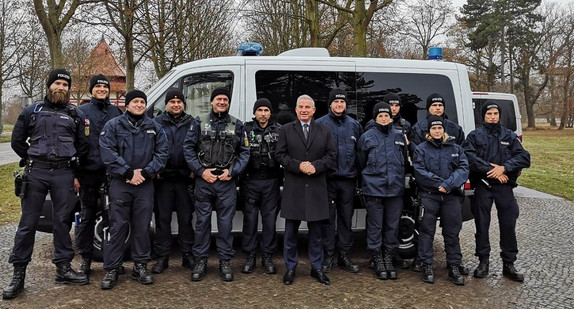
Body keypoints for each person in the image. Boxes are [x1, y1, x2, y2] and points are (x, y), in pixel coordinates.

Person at [4, 69, 90, 300]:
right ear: (49, 86)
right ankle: (18, 274)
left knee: (62, 222)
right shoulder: (31, 111)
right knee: (27, 223)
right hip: (37, 173)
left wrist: (74, 171)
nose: (61, 87)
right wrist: (32, 157)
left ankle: (63, 268)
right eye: (57, 83)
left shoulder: (75, 114)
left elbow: (83, 145)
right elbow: (17, 141)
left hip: (64, 173)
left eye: (65, 84)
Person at [99, 90, 168, 290]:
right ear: (127, 105)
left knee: (142, 228)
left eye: (142, 102)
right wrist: (128, 173)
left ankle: (140, 266)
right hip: (121, 184)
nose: (139, 105)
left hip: (145, 184)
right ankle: (112, 268)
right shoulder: (113, 126)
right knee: (118, 227)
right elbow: (107, 152)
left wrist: (146, 173)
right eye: (135, 101)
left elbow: (162, 153)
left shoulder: (154, 127)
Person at [183, 87, 249, 282]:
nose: (222, 102)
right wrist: (201, 171)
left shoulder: (237, 124)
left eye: (225, 100)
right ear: (212, 101)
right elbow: (188, 148)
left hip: (226, 182)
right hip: (205, 181)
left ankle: (225, 261)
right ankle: (201, 261)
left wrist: (233, 172)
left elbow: (245, 152)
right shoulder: (198, 122)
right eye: (218, 99)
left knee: (226, 225)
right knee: (202, 223)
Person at [462, 102, 531, 282]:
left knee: (508, 224)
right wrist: (490, 170)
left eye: (495, 113)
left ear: (499, 115)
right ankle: (483, 261)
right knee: (482, 224)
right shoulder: (475, 136)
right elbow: (468, 156)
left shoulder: (509, 135)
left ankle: (509, 264)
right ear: (483, 116)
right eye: (489, 114)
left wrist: (505, 168)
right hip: (483, 185)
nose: (492, 116)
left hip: (504, 186)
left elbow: (524, 157)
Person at [276, 94, 336, 286]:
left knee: (316, 234)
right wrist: (298, 165)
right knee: (291, 233)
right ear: (295, 110)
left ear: (313, 110)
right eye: (300, 107)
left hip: (316, 187)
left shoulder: (324, 130)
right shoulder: (285, 130)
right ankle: (291, 268)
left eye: (307, 107)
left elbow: (332, 156)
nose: (303, 110)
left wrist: (316, 166)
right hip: (294, 187)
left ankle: (316, 268)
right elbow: (280, 155)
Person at [75, 74, 123, 277]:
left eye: (105, 86)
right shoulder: (81, 112)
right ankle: (85, 259)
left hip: (111, 173)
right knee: (86, 216)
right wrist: (74, 174)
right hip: (87, 173)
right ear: (92, 89)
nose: (102, 89)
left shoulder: (116, 112)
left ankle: (114, 260)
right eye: (98, 86)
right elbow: (74, 144)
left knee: (113, 218)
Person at [412, 115, 469, 285]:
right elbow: (419, 171)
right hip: (429, 196)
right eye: (433, 128)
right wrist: (439, 184)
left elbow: (464, 168)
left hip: (451, 196)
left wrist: (448, 184)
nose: (437, 131)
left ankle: (453, 265)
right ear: (429, 130)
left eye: (439, 128)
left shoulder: (456, 148)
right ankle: (427, 264)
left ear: (444, 129)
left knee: (452, 233)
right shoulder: (421, 149)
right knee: (426, 232)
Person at [357, 102, 407, 281]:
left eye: (387, 115)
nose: (384, 118)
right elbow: (361, 162)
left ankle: (389, 256)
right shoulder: (367, 137)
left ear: (391, 117)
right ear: (375, 118)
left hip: (395, 190)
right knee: (376, 226)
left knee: (392, 226)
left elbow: (405, 161)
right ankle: (377, 257)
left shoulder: (400, 136)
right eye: (380, 116)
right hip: (374, 189)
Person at [316, 88, 362, 273]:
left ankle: (344, 254)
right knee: (327, 219)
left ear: (346, 104)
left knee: (346, 219)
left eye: (342, 102)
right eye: (336, 102)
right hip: (328, 180)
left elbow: (360, 153)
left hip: (348, 181)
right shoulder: (320, 124)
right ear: (330, 104)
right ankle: (328, 255)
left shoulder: (354, 125)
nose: (339, 105)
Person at [151, 88, 196, 274]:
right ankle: (163, 257)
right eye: (172, 102)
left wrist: (195, 170)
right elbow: (151, 148)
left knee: (186, 219)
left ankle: (188, 255)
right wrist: (155, 170)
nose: (176, 105)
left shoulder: (192, 123)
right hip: (163, 179)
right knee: (163, 219)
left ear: (183, 104)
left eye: (179, 102)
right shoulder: (156, 123)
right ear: (166, 104)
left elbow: (198, 147)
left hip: (185, 179)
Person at [240, 98, 282, 275]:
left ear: (270, 112)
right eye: (260, 110)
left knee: (269, 221)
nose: (263, 113)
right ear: (255, 112)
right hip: (250, 181)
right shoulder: (246, 129)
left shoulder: (279, 130)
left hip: (271, 181)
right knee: (249, 221)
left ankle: (267, 255)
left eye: (266, 110)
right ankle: (250, 256)